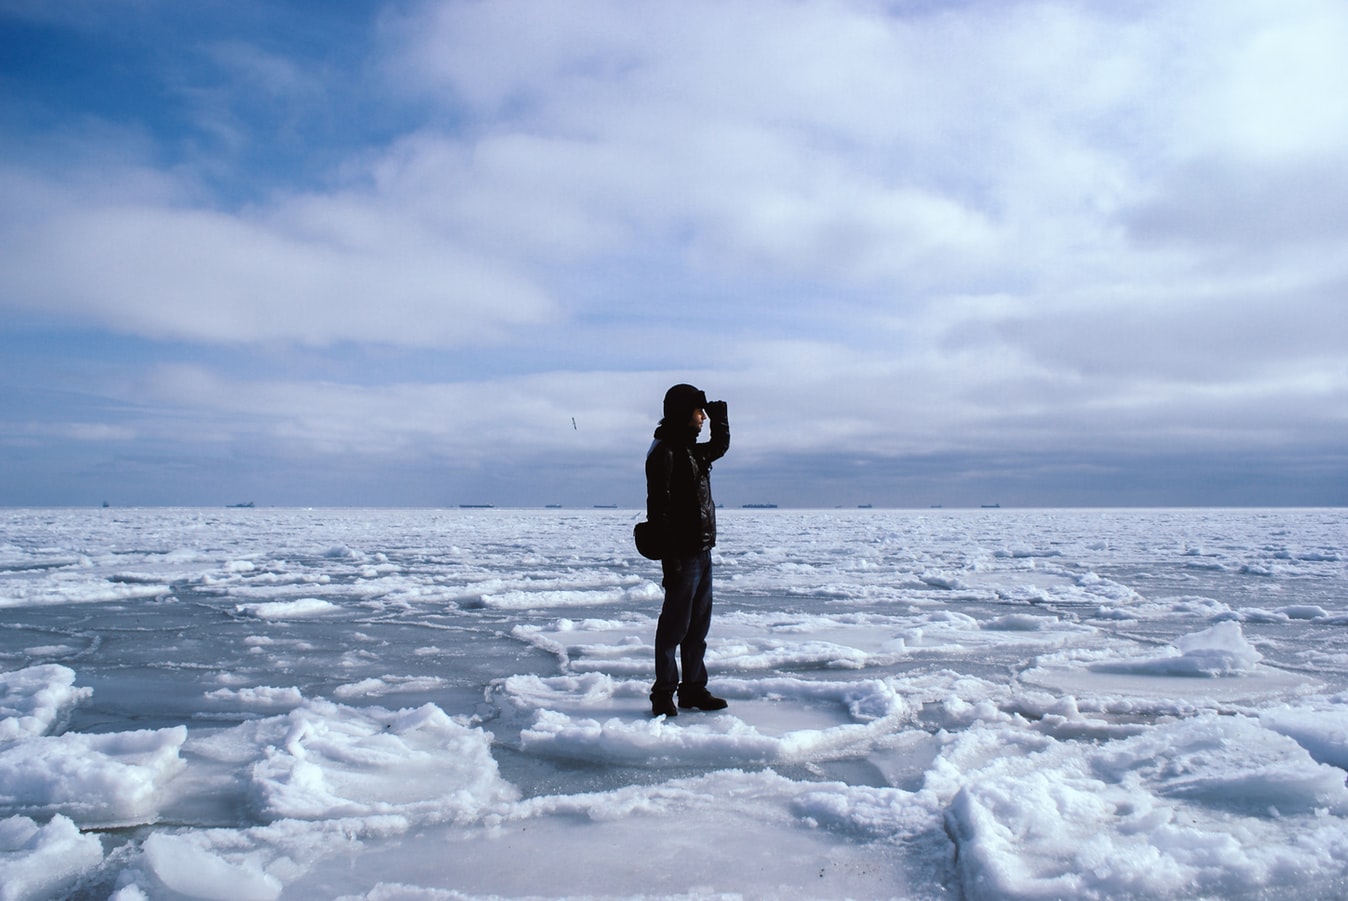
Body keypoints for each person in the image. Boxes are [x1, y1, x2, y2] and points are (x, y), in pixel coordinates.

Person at [645, 383, 730, 718]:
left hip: (702, 551)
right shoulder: (664, 452)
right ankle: (663, 692)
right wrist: (670, 561)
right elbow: (659, 512)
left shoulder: (691, 450)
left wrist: (720, 419)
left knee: (697, 628)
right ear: (683, 412)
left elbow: (720, 446)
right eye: (698, 412)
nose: (701, 417)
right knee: (674, 628)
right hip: (681, 554)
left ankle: (693, 689)